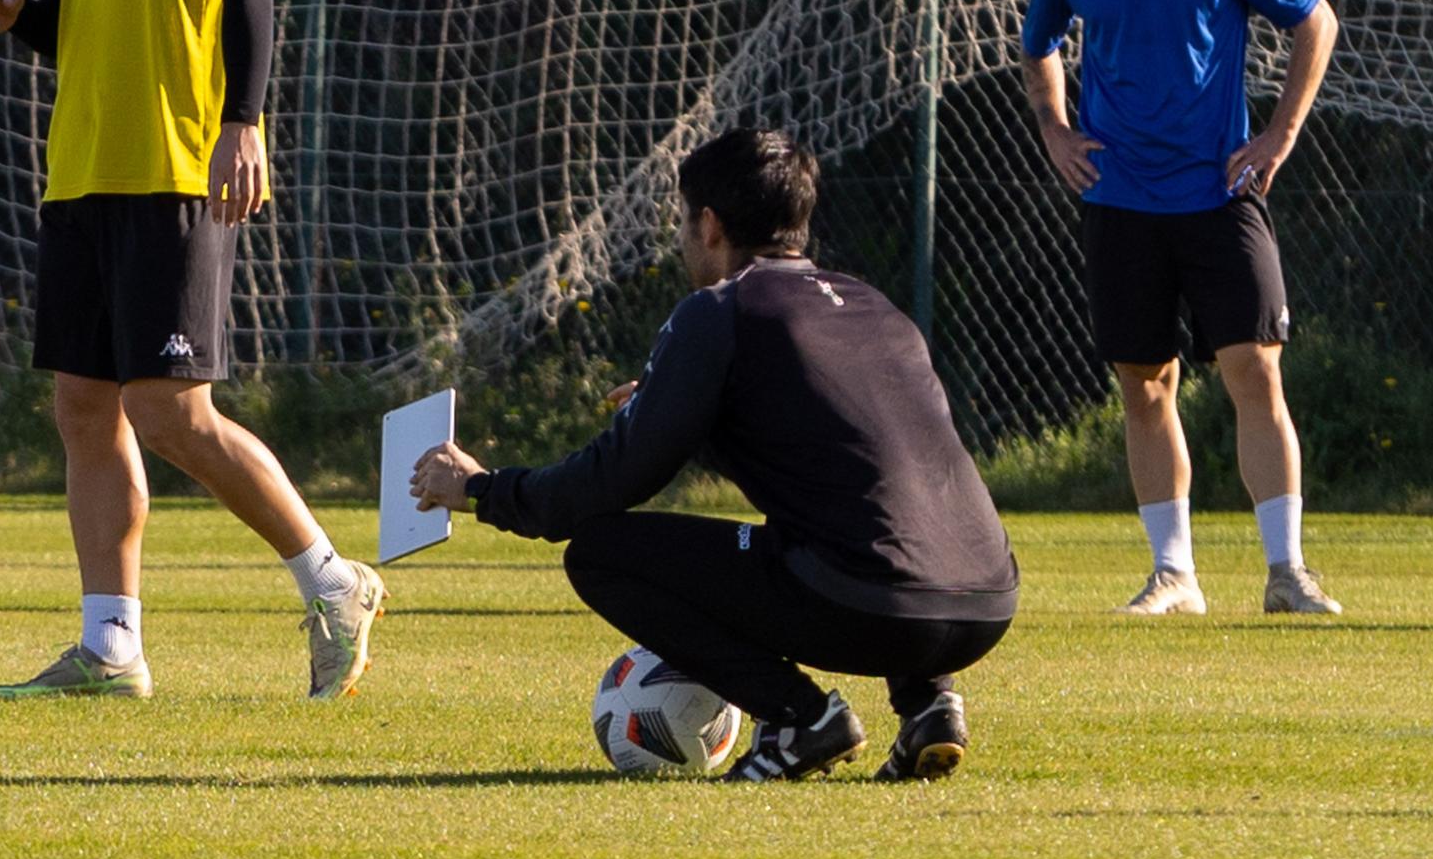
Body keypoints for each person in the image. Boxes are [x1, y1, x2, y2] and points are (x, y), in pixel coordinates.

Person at [0, 0, 385, 699]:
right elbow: (85, 26)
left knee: (170, 410)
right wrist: (24, 18)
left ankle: (333, 579)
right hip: (84, 172)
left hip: (173, 166)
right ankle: (111, 646)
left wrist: (244, 122)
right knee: (82, 406)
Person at [410, 129, 1018, 782]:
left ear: (708, 223)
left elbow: (613, 479)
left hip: (871, 604)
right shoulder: (878, 308)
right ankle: (930, 704)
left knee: (601, 552)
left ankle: (798, 717)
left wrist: (482, 488)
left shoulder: (720, 310)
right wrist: (678, 405)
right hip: (987, 602)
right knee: (873, 513)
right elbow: (846, 457)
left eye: (681, 220)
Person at [1020, 0, 1343, 617]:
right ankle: (1174, 575)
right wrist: (1056, 129)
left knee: (1253, 369)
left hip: (1219, 190)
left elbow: (1315, 20)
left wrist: (1279, 134)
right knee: (1144, 382)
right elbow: (1040, 43)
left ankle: (1287, 572)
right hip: (1120, 194)